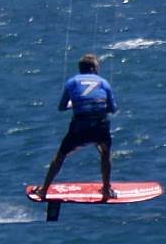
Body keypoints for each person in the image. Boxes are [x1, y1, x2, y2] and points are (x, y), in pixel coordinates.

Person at [35, 53, 116, 201]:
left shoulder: (71, 82)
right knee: (105, 153)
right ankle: (106, 190)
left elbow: (61, 107)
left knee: (61, 155)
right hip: (100, 126)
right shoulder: (104, 83)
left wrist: (76, 103)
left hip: (79, 126)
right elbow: (112, 109)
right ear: (93, 69)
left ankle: (44, 190)